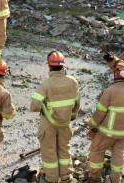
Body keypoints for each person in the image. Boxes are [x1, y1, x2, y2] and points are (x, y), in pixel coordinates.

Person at [30, 51, 80, 183]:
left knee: (49, 151)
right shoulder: (73, 82)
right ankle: (66, 177)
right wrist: (72, 117)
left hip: (48, 124)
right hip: (65, 123)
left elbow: (34, 106)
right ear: (63, 65)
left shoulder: (46, 84)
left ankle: (51, 178)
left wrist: (43, 109)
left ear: (49, 66)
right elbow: (76, 104)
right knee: (64, 150)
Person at [86, 60, 124, 183]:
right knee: (119, 154)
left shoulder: (110, 90)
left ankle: (94, 177)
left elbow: (99, 113)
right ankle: (116, 179)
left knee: (97, 151)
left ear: (116, 74)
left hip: (107, 132)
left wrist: (91, 125)